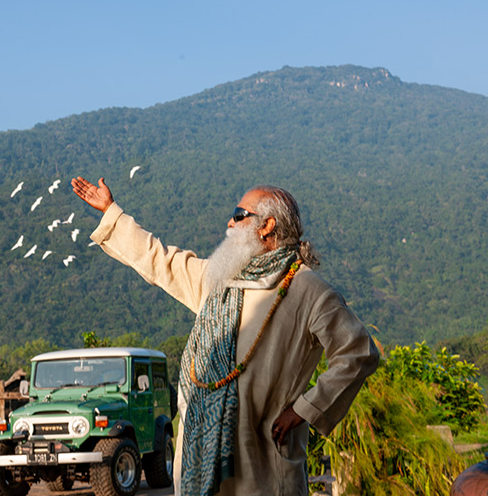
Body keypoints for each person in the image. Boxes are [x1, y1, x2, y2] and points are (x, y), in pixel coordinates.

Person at [71, 177, 379, 496]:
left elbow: (358, 354)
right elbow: (159, 260)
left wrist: (304, 409)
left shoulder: (307, 289)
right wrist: (111, 211)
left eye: (239, 214)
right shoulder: (218, 280)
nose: (229, 222)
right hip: (203, 463)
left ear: (267, 226)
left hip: (265, 461)